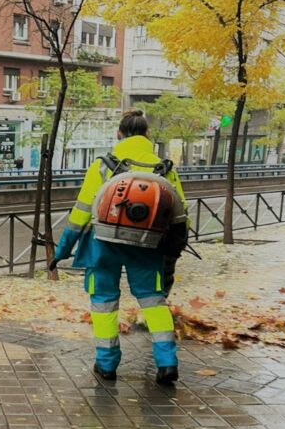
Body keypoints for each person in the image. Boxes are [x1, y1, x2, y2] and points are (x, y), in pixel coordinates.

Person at [49, 109, 188, 385]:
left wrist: (61, 252)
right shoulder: (164, 168)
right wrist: (174, 248)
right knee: (153, 301)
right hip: (147, 246)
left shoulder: (103, 165)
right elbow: (180, 213)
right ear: (147, 135)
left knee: (103, 303)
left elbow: (80, 213)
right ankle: (167, 363)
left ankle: (107, 364)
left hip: (103, 245)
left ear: (118, 134)